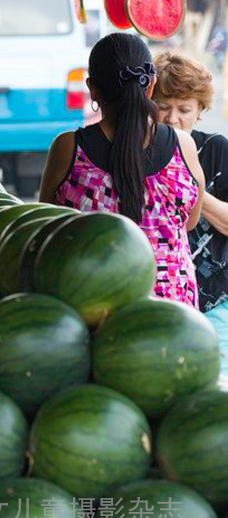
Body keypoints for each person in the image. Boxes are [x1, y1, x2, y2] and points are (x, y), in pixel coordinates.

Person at [39, 33, 205, 308]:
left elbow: (46, 228)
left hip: (93, 310)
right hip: (175, 316)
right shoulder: (182, 147)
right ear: (150, 85)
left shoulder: (69, 150)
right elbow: (189, 223)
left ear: (92, 88)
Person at [154, 52, 228, 371]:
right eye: (162, 107)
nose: (173, 119)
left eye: (184, 109)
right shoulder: (134, 155)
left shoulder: (215, 149)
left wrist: (190, 184)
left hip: (215, 302)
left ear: (200, 111)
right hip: (156, 304)